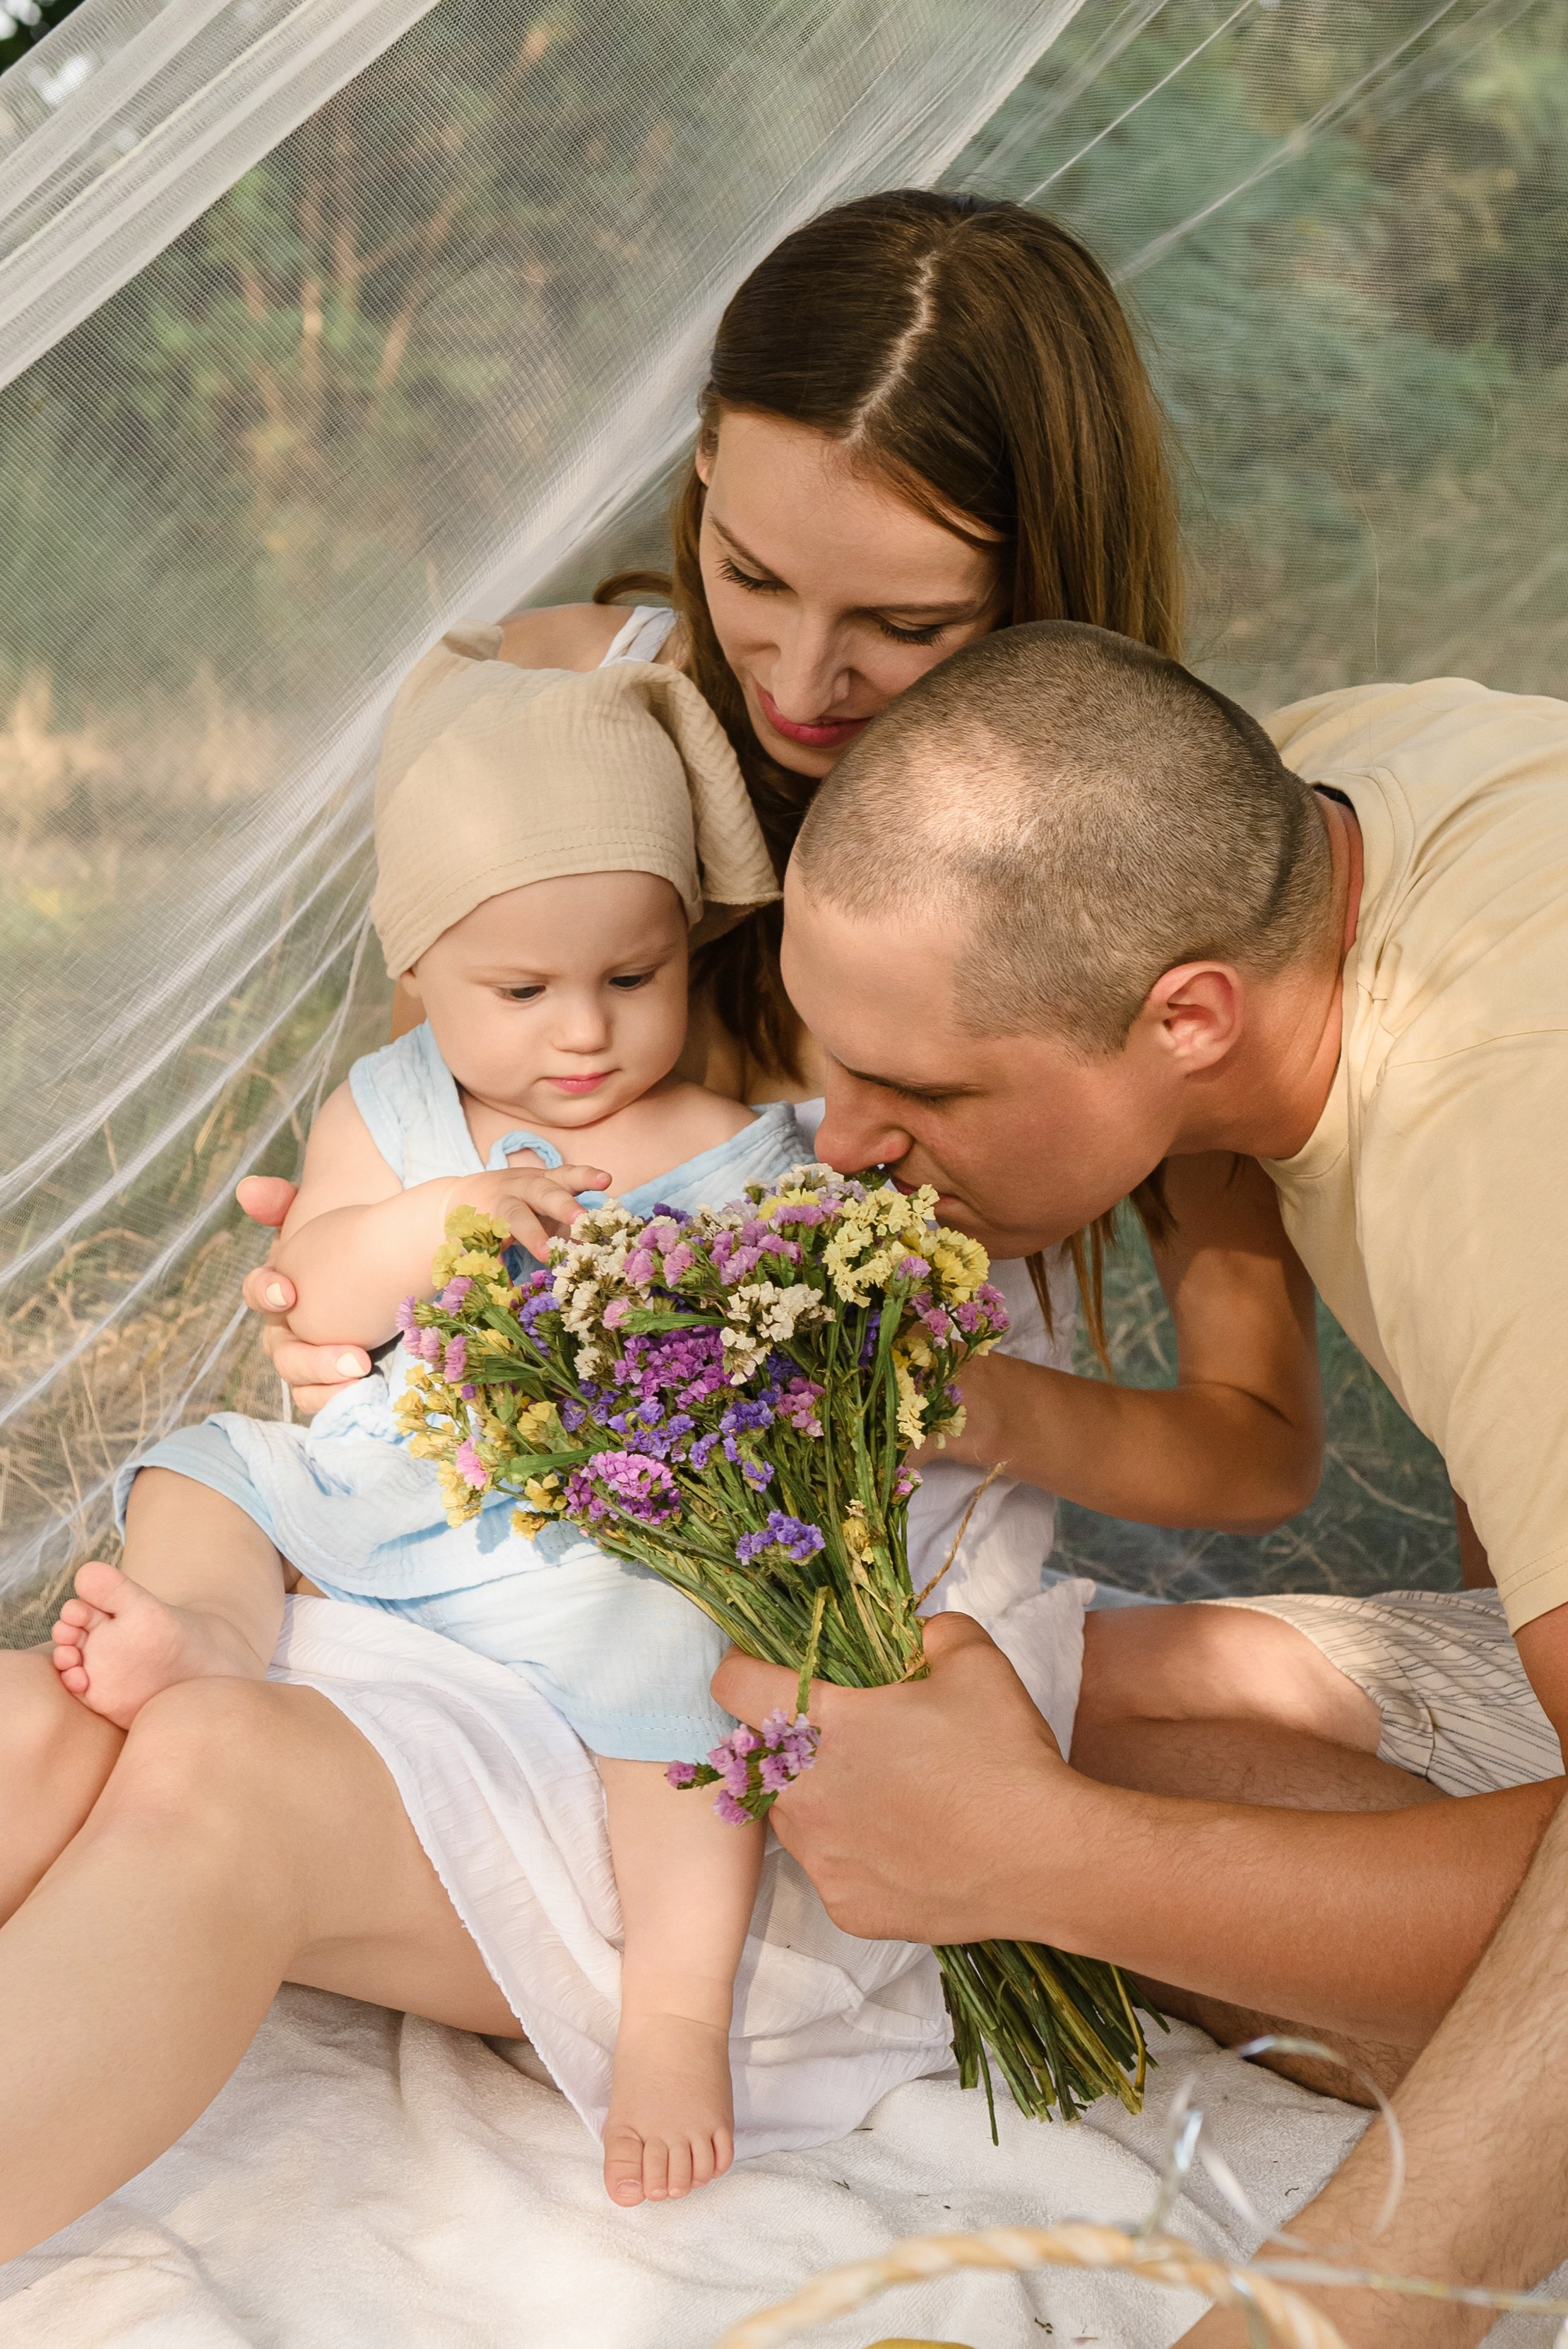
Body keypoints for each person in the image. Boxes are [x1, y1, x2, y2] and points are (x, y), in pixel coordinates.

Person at [0, 191, 1321, 2266]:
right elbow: (440, 1089)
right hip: (458, 1576)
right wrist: (368, 1254)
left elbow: (1256, 1442)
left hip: (735, 1734)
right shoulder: (594, 731)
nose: (800, 672)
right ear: (698, 472)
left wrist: (972, 1400)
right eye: (752, 570)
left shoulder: (1115, 878)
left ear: (1037, 576)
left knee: (211, 1783)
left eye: (903, 625)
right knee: (47, 1711)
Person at [713, 616, 1568, 2337]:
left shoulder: (1496, 1140)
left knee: (1040, 1793)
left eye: (916, 1089)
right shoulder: (1331, 801)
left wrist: (1042, 1860)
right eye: (833, 1054)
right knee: (1047, 1700)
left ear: (1190, 1014)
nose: (845, 1139)